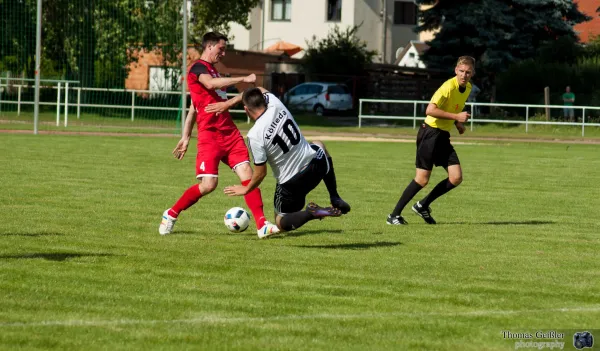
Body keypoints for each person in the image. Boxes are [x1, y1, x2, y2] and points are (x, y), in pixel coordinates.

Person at [159, 32, 279, 237]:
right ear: (209, 46)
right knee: (208, 185)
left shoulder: (214, 71)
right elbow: (208, 87)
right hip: (209, 136)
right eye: (221, 49)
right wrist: (243, 78)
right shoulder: (198, 68)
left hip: (230, 134)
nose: (223, 53)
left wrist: (186, 135)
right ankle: (171, 213)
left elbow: (193, 107)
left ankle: (262, 225)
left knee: (248, 176)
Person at [219, 87, 351, 236]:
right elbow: (260, 89)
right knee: (319, 144)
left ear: (246, 109)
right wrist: (230, 102)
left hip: (291, 184)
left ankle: (311, 213)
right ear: (264, 100)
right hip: (316, 167)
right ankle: (334, 195)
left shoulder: (254, 136)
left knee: (281, 222)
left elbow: (261, 173)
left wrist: (246, 189)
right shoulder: (276, 103)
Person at [387, 56, 474, 225]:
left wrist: (457, 123)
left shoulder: (468, 87)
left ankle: (422, 205)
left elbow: (451, 107)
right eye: (461, 71)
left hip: (443, 136)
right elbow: (430, 110)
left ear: (472, 73)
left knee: (456, 177)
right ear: (456, 70)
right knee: (422, 179)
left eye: (468, 72)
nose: (464, 75)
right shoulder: (447, 87)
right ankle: (393, 215)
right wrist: (457, 116)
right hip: (430, 134)